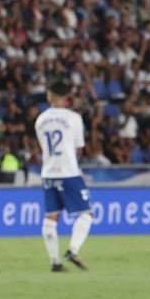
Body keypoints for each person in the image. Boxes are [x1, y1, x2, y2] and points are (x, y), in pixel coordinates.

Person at [35, 82, 93, 272]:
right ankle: (73, 250)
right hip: (68, 171)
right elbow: (78, 148)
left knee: (51, 217)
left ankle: (55, 262)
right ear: (66, 97)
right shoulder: (74, 118)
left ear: (50, 97)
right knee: (86, 213)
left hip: (48, 172)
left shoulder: (40, 120)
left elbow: (43, 147)